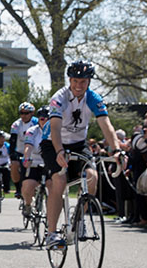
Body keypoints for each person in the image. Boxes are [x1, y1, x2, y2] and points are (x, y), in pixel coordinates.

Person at [40, 60, 121, 249]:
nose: (79, 85)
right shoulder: (59, 97)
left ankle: (79, 220)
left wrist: (116, 149)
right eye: (75, 81)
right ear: (70, 79)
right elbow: (55, 127)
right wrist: (59, 151)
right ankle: (52, 233)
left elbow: (106, 125)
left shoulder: (93, 98)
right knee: (59, 181)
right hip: (53, 142)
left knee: (92, 178)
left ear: (89, 82)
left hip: (77, 143)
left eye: (83, 82)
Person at [20, 107, 51, 216]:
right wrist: (27, 157)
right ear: (38, 119)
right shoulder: (32, 131)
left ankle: (50, 215)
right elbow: (28, 146)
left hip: (49, 164)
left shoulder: (56, 131)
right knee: (27, 187)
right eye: (42, 119)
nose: (45, 121)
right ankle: (28, 205)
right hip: (34, 163)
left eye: (48, 119)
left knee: (53, 189)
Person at [9, 102, 36, 197]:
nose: (23, 116)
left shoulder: (36, 122)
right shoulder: (16, 124)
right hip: (20, 151)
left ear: (32, 113)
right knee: (14, 165)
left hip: (34, 152)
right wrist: (12, 154)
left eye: (26, 113)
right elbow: (13, 140)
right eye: (21, 113)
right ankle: (17, 188)